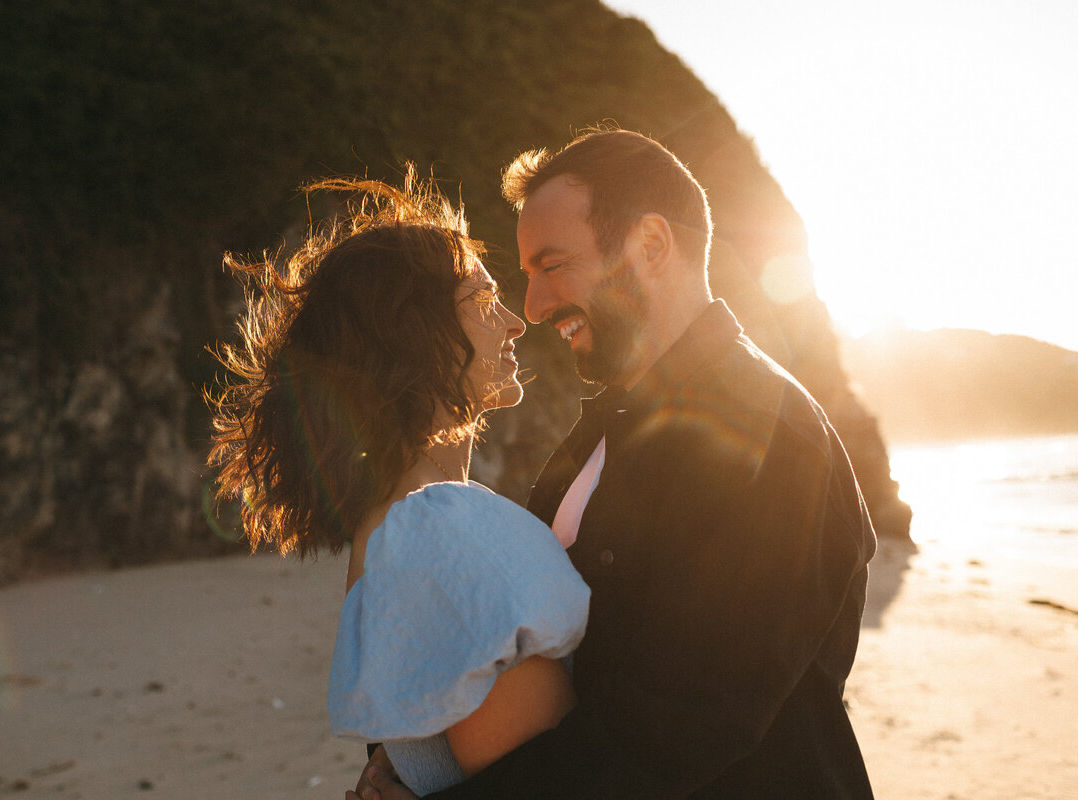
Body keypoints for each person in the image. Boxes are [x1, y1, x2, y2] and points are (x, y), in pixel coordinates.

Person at [354, 130, 877, 799]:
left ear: (651, 246)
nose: (535, 307)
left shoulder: (768, 439)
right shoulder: (604, 432)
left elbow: (675, 732)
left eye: (552, 265)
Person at [205, 170, 590, 797]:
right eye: (485, 299)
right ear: (419, 333)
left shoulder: (398, 529)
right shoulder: (436, 529)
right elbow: (559, 781)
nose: (517, 324)